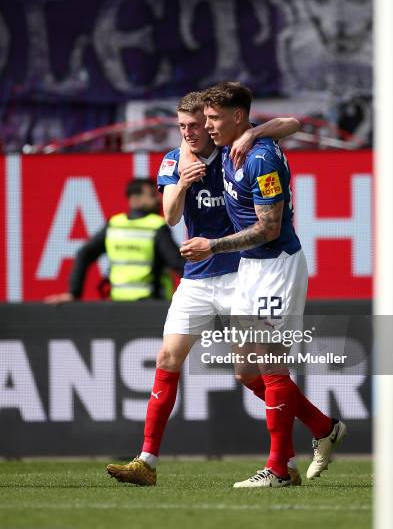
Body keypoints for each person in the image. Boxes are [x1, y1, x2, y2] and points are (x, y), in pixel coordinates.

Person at [106, 92, 302, 487]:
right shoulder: (178, 160)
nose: (193, 132)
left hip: (241, 271)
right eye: (184, 127)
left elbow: (290, 124)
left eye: (199, 124)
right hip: (197, 277)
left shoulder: (239, 150)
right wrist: (181, 181)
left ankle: (301, 444)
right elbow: (171, 215)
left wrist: (252, 133)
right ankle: (146, 461)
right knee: (167, 357)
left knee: (250, 371)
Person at [181, 82, 347, 488]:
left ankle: (278, 468)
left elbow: (270, 229)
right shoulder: (235, 146)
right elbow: (289, 123)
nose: (208, 126)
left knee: (271, 365)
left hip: (276, 267)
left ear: (238, 116)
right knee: (245, 371)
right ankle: (323, 427)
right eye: (205, 119)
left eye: (215, 118)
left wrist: (213, 246)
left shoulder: (260, 158)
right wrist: (253, 130)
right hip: (250, 271)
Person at [46, 178, 183, 304]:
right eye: (153, 195)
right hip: (151, 305)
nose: (159, 199)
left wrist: (73, 293)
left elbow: (83, 254)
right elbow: (177, 263)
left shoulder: (114, 225)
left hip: (117, 305)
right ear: (135, 199)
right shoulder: (157, 225)